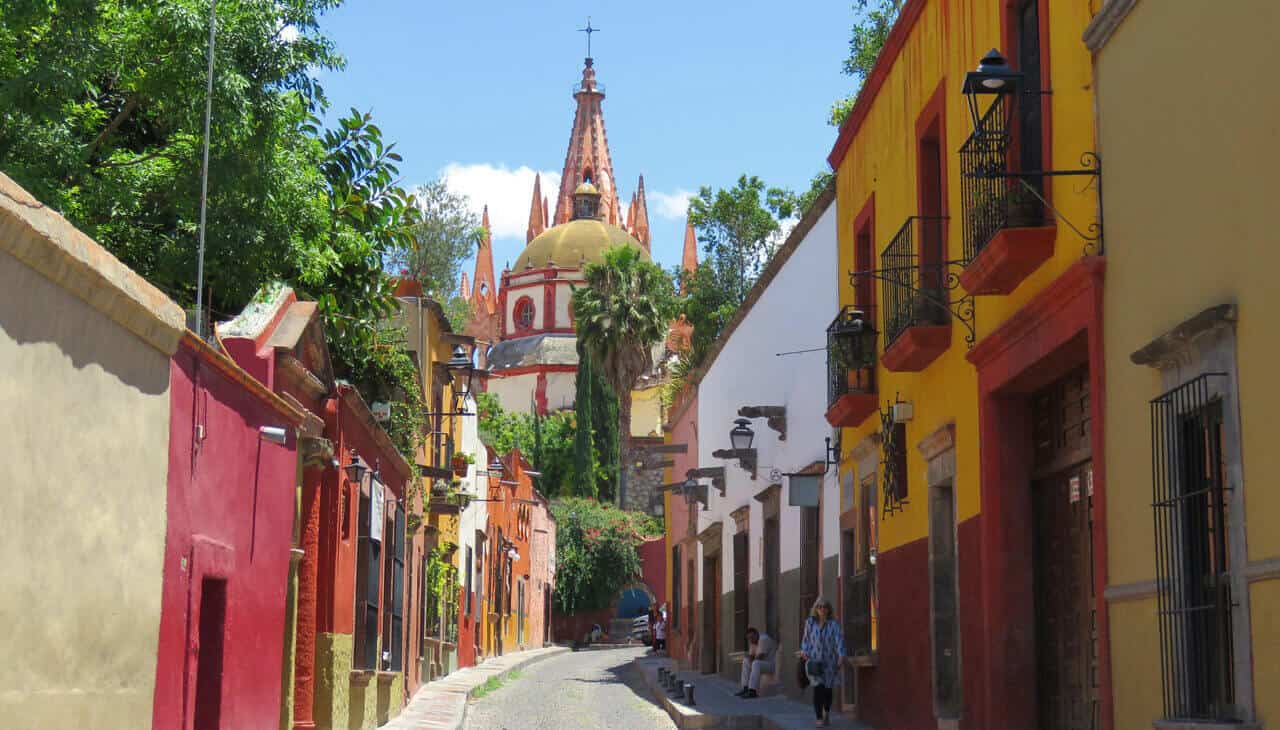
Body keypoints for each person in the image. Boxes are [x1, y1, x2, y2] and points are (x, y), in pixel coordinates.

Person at [799, 596, 845, 727]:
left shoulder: (834, 624)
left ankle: (826, 712)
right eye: (819, 606)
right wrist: (805, 653)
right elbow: (805, 641)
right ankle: (819, 718)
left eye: (825, 606)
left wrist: (841, 656)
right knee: (818, 689)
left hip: (830, 663)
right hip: (814, 662)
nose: (822, 609)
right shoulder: (810, 623)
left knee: (827, 691)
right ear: (816, 609)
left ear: (829, 609)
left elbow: (839, 641)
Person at [734, 626, 777, 698]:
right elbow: (751, 656)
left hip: (771, 665)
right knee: (745, 660)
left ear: (757, 634)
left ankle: (752, 691)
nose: (751, 640)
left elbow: (760, 657)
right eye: (749, 638)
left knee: (755, 663)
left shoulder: (763, 639)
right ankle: (745, 688)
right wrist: (749, 660)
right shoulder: (753, 642)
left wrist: (751, 662)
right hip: (762, 664)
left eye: (752, 637)